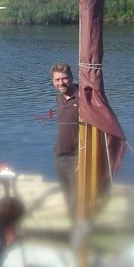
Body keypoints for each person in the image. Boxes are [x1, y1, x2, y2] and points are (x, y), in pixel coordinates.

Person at [51, 62, 78, 213]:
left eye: (64, 78)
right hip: (60, 155)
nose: (61, 83)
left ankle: (82, 224)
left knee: (78, 199)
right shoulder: (59, 98)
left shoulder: (83, 97)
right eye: (57, 80)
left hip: (77, 157)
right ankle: (73, 223)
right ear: (53, 81)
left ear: (72, 77)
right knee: (67, 197)